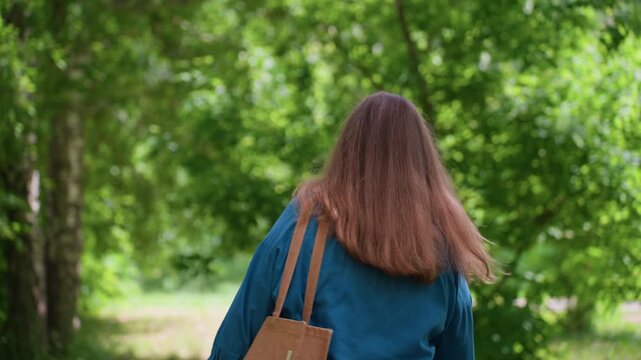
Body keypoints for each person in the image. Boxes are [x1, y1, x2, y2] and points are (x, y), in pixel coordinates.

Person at [207, 91, 494, 359]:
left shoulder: (304, 224)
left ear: (349, 149)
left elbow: (232, 344)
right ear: (422, 160)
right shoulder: (443, 247)